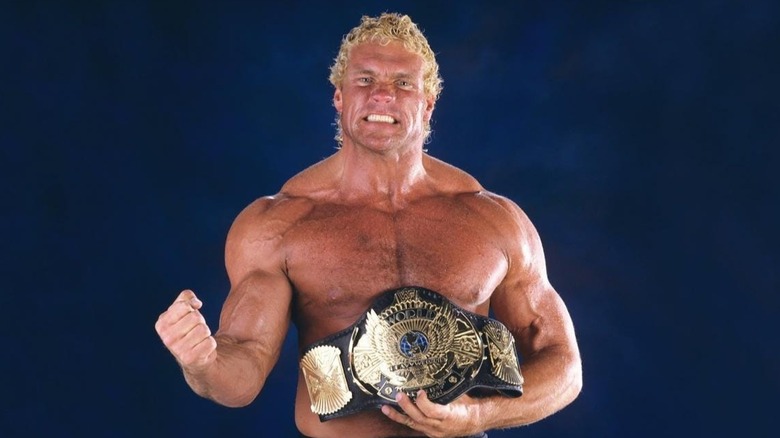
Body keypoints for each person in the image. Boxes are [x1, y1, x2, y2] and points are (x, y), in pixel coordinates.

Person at [155, 12, 582, 438]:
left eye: (402, 84)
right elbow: (243, 370)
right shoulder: (280, 223)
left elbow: (563, 364)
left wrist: (477, 417)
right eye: (364, 81)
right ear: (339, 97)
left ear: (427, 103)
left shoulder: (493, 220)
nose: (382, 96)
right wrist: (203, 363)